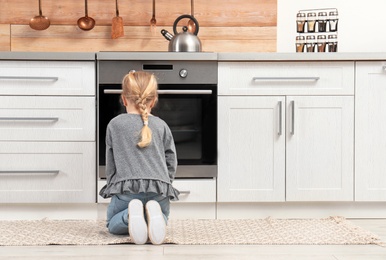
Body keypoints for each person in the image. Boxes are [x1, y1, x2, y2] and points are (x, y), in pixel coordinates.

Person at [99, 70, 179, 245]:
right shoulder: (161, 125)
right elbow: (171, 160)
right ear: (154, 100)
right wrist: (166, 182)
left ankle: (130, 216)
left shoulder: (115, 124)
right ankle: (155, 216)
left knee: (111, 224)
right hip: (159, 192)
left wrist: (113, 185)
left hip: (127, 192)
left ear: (124, 98)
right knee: (162, 216)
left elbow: (111, 163)